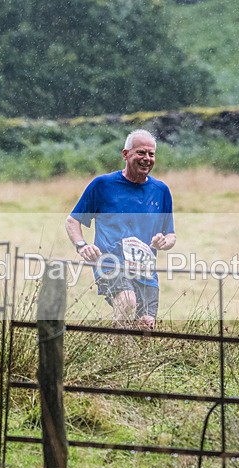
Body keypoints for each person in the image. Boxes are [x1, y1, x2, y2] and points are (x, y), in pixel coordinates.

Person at [65, 129, 176, 329]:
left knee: (145, 327)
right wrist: (82, 246)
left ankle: (117, 352)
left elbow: (171, 235)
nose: (147, 159)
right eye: (141, 153)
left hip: (145, 271)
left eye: (151, 154)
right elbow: (72, 221)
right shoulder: (103, 185)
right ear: (126, 154)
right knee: (127, 301)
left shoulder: (161, 191)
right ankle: (118, 358)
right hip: (110, 264)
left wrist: (163, 241)